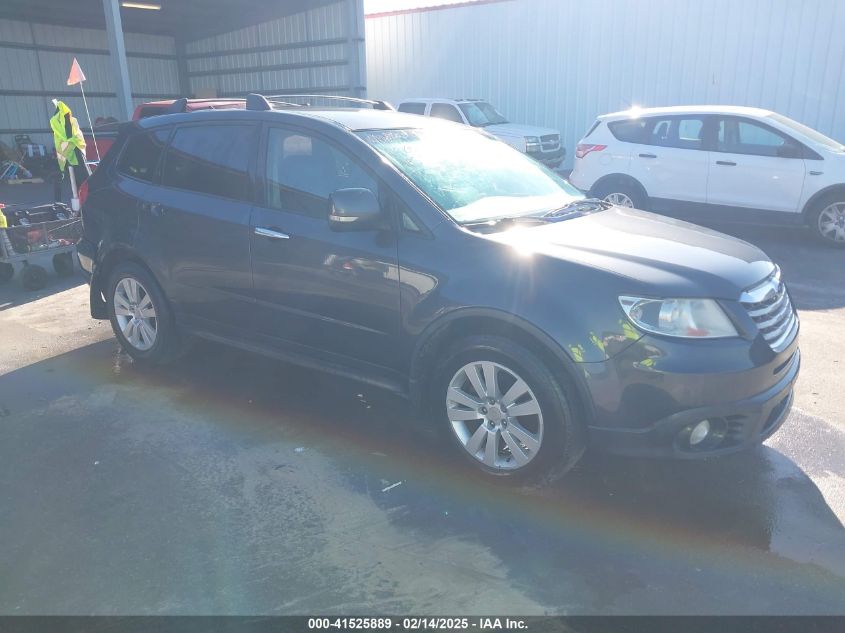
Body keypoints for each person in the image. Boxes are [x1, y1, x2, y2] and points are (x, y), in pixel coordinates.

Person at [50, 100, 89, 202]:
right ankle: (82, 202)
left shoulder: (57, 120)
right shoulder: (67, 119)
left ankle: (81, 202)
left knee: (78, 180)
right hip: (73, 151)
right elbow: (71, 136)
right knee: (82, 180)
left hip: (69, 151)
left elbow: (67, 136)